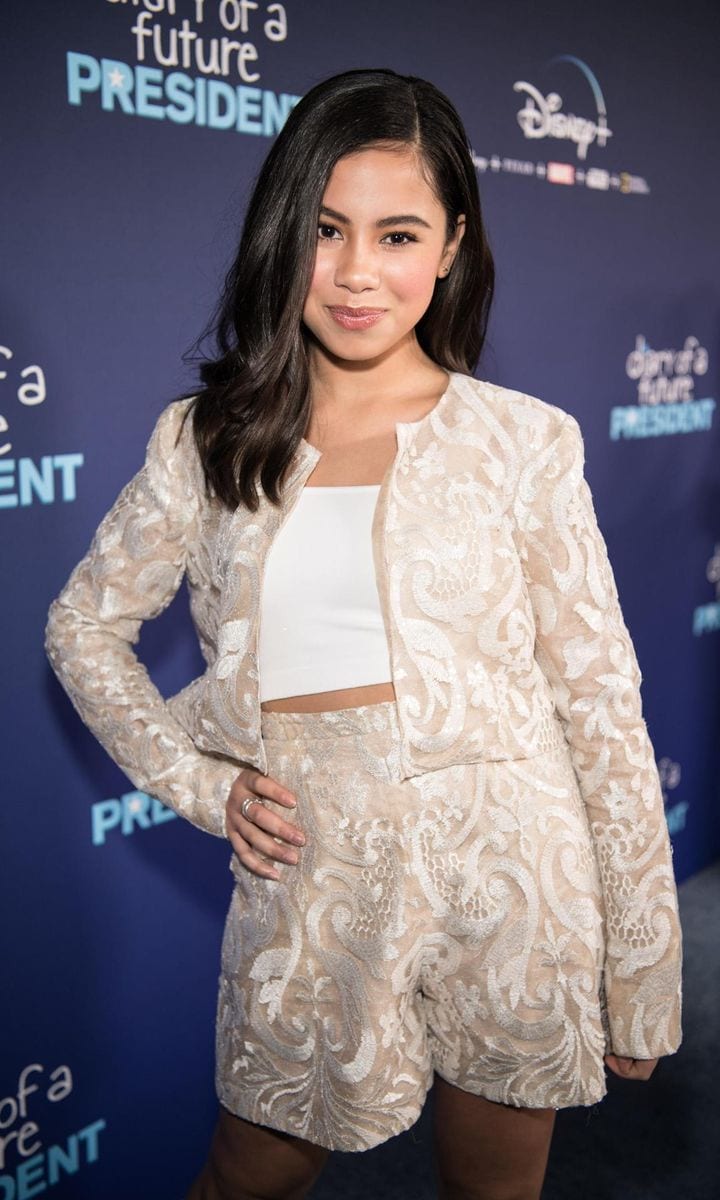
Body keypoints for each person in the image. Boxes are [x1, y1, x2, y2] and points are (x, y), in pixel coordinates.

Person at [45, 67, 683, 1200]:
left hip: (516, 882)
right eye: (326, 229)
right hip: (316, 879)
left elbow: (599, 703)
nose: (354, 273)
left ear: (451, 247)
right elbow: (83, 628)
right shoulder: (205, 440)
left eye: (397, 235)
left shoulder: (525, 442)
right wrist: (201, 786)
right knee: (244, 1176)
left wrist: (643, 966)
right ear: (282, 233)